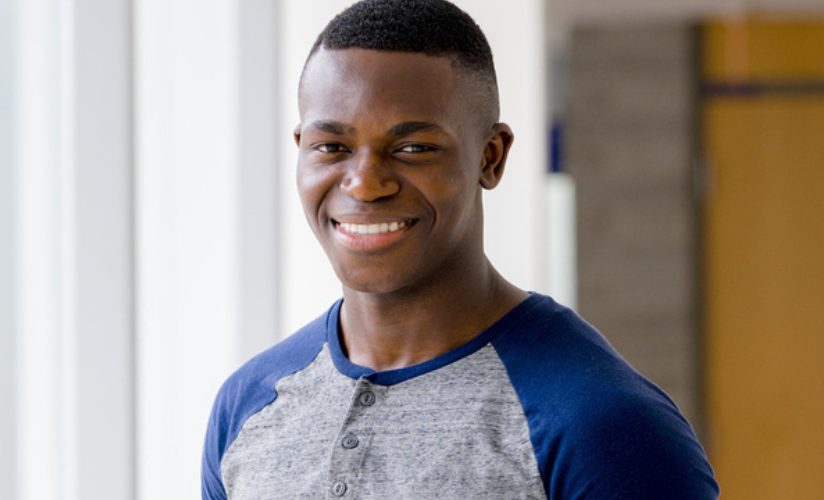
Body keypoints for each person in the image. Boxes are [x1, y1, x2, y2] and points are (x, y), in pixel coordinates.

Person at [199, 0, 717, 498]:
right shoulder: (247, 406)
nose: (364, 183)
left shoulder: (602, 427)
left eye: (413, 148)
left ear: (490, 157)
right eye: (331, 147)